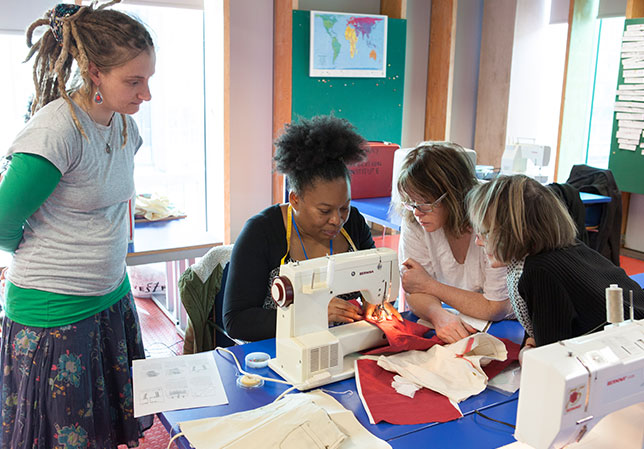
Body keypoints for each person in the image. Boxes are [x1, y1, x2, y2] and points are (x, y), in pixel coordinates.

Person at [0, 2, 155, 447]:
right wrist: (38, 250)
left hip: (111, 300)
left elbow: (104, 203)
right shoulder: (57, 131)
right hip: (54, 313)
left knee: (103, 431)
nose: (145, 95)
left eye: (148, 80)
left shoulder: (125, 127)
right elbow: (3, 222)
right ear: (93, 73)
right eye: (134, 81)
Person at [223, 115, 401, 341]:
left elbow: (378, 281)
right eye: (325, 211)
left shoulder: (353, 223)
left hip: (342, 341)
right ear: (295, 199)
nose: (337, 220)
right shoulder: (260, 232)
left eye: (344, 207)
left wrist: (375, 303)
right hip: (276, 350)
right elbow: (237, 322)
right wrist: (309, 315)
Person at [467, 174, 644, 349]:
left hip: (631, 345)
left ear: (513, 233)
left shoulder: (539, 271)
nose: (479, 241)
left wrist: (527, 351)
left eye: (485, 233)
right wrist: (532, 340)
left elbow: (549, 355)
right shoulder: (567, 248)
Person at [396, 142, 512, 343]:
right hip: (460, 319)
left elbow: (496, 307)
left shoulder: (490, 218)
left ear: (453, 196)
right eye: (411, 202)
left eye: (425, 203)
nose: (416, 212)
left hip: (508, 325)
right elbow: (414, 288)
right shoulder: (416, 218)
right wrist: (437, 315)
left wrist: (431, 286)